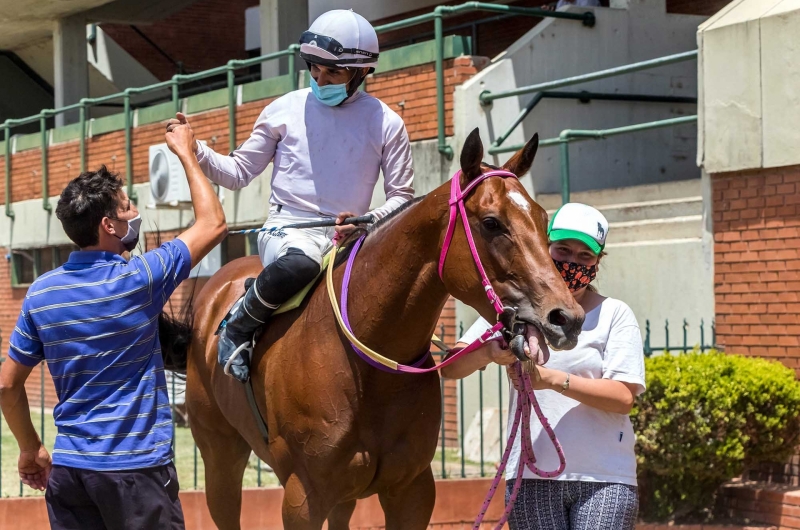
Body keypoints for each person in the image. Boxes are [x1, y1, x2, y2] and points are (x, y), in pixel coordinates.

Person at [167, 9, 414, 383]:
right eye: (314, 67)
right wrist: (195, 148)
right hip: (289, 232)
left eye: (333, 71)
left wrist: (366, 222)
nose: (320, 78)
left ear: (362, 72)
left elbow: (402, 197)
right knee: (303, 265)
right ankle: (238, 324)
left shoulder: (388, 123)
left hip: (350, 239)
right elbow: (236, 174)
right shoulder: (283, 109)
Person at [0, 123, 226, 529]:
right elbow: (212, 224)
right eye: (127, 207)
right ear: (108, 225)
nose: (135, 213)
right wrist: (187, 153)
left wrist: (30, 449)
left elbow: (7, 384)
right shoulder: (138, 280)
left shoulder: (40, 293)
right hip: (136, 472)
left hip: (70, 474)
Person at [441, 203, 645, 530]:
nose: (572, 262)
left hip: (605, 478)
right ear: (544, 248)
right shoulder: (513, 308)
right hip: (530, 478)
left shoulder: (615, 315)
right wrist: (488, 353)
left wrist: (549, 379)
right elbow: (450, 367)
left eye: (585, 256)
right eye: (563, 250)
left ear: (598, 261)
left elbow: (623, 398)